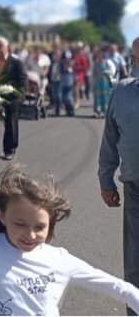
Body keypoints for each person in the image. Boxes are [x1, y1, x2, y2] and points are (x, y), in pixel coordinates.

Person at [0, 165, 139, 316]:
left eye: (39, 227)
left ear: (51, 222)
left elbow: (122, 289)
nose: (30, 235)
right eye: (20, 224)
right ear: (2, 215)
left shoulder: (59, 260)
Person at [99, 37, 139, 313]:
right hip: (135, 186)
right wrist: (105, 179)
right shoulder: (122, 92)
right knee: (135, 261)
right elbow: (109, 139)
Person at [92, 48, 116, 118]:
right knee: (98, 97)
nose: (99, 56)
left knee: (105, 97)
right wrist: (93, 82)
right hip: (97, 82)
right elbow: (94, 74)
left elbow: (112, 71)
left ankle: (105, 111)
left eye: (100, 55)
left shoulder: (106, 62)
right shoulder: (95, 64)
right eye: (98, 55)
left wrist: (107, 72)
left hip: (105, 82)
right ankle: (97, 111)